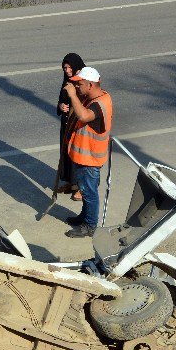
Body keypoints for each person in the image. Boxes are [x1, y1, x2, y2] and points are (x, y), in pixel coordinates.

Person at [63, 67, 114, 238]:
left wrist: (72, 95)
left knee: (90, 193)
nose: (77, 86)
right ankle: (84, 217)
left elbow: (84, 116)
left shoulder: (99, 104)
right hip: (84, 157)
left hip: (90, 159)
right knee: (85, 191)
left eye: (80, 84)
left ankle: (90, 226)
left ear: (90, 85)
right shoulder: (94, 96)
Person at [57, 52, 86, 200]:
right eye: (64, 67)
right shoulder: (66, 81)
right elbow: (61, 99)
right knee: (66, 155)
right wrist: (61, 106)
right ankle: (70, 183)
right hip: (66, 124)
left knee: (77, 157)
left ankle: (80, 188)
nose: (67, 70)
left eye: (69, 67)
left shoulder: (83, 82)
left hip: (78, 126)